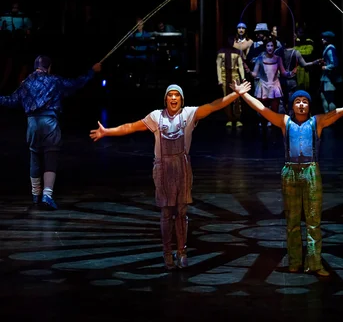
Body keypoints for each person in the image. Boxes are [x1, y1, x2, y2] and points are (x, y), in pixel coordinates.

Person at [89, 81, 252, 270]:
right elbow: (131, 127)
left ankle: (182, 251)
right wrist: (107, 131)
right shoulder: (156, 117)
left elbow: (214, 106)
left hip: (182, 167)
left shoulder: (189, 114)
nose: (173, 98)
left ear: (181, 99)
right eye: (170, 95)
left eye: (177, 95)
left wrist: (235, 95)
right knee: (166, 213)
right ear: (165, 99)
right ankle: (167, 252)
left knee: (182, 212)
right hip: (163, 168)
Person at [236, 84, 343, 276]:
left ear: (309, 106)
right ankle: (294, 262)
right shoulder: (284, 122)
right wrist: (243, 94)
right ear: (292, 106)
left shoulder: (317, 122)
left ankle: (314, 263)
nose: (301, 105)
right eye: (298, 102)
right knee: (292, 221)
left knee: (313, 220)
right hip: (290, 172)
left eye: (305, 102)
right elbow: (261, 108)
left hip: (311, 171)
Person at [0, 56, 101, 209]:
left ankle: (35, 195)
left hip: (32, 124)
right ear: (49, 67)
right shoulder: (54, 80)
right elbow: (75, 84)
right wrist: (92, 72)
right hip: (49, 123)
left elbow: (11, 100)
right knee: (50, 158)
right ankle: (47, 195)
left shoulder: (25, 83)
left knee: (34, 157)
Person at [216, 36, 246, 127]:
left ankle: (237, 118)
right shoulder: (221, 52)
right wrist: (220, 79)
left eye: (232, 39)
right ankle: (229, 118)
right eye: (229, 39)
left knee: (237, 98)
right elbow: (218, 66)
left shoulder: (237, 52)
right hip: (225, 76)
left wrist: (243, 77)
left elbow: (240, 65)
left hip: (235, 75)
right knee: (226, 98)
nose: (231, 41)